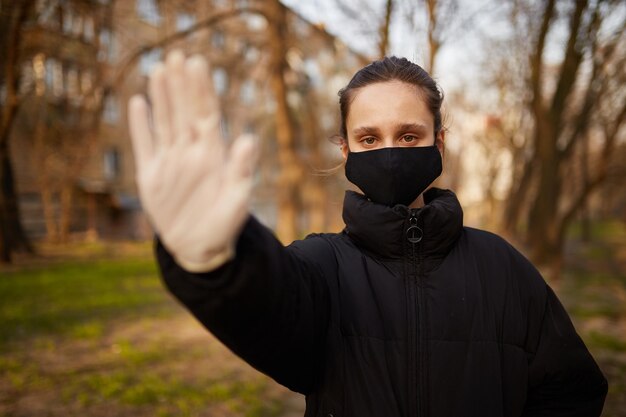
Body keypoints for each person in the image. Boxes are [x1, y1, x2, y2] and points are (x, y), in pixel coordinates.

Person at [128, 50, 608, 417]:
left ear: (439, 141)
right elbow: (271, 308)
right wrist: (219, 263)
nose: (391, 152)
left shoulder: (502, 267)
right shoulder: (322, 266)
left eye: (408, 135)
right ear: (345, 150)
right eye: (369, 138)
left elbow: (571, 390)